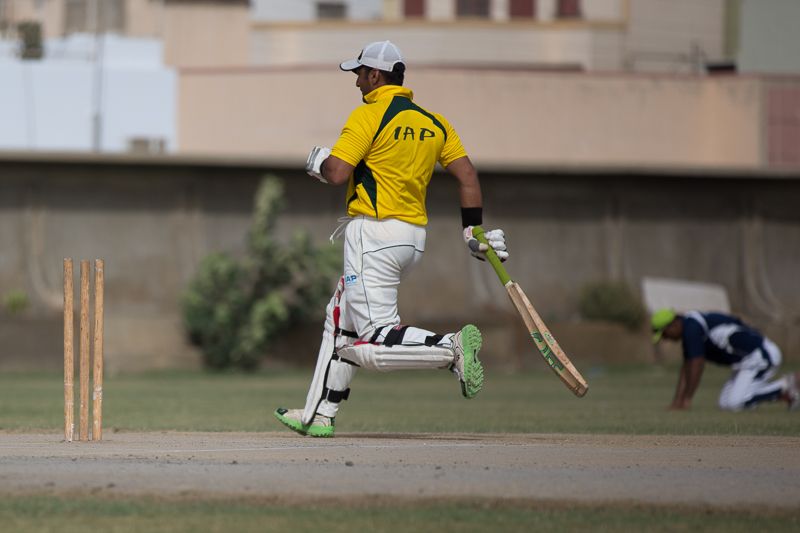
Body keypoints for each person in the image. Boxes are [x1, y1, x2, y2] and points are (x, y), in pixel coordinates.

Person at [273, 41, 509, 437]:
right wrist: (472, 229)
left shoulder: (368, 115)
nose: (356, 83)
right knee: (339, 318)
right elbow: (467, 175)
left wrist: (318, 163)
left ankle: (449, 348)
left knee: (374, 339)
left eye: (359, 75)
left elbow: (337, 173)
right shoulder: (435, 122)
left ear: (375, 75)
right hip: (412, 238)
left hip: (374, 232)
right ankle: (319, 414)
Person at [651, 308, 799, 411]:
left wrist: (687, 399)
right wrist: (678, 401)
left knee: (735, 403)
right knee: (725, 404)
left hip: (760, 356)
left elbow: (697, 364)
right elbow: (687, 367)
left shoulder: (692, 328)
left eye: (664, 334)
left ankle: (787, 384)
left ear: (673, 324)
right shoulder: (690, 326)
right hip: (747, 361)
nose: (665, 338)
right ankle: (785, 394)